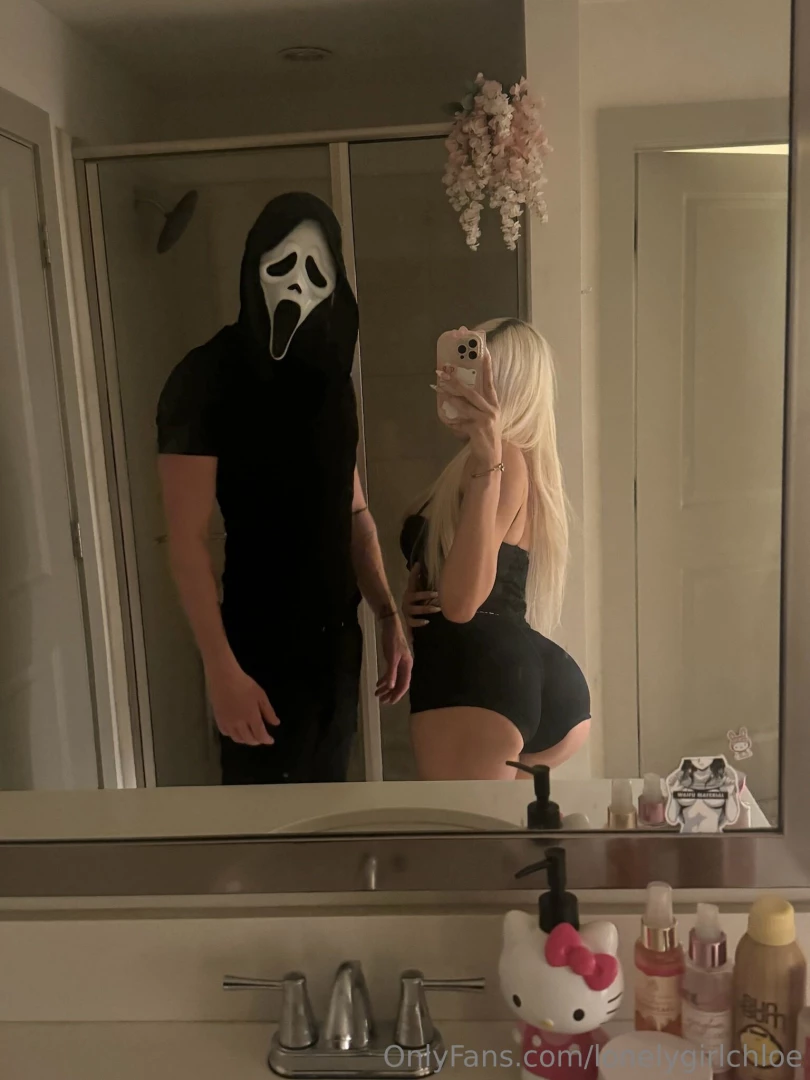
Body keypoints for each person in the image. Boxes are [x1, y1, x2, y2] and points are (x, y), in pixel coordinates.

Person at [157, 192, 410, 785]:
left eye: (316, 270)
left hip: (337, 645)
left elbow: (354, 510)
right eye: (284, 263)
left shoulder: (330, 381)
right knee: (263, 818)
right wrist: (221, 671)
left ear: (334, 285)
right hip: (258, 646)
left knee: (328, 804)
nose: (298, 282)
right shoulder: (205, 376)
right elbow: (186, 540)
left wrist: (387, 613)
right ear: (256, 263)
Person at [400, 318, 590, 780]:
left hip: (476, 675)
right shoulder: (491, 463)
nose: (450, 378)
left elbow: (462, 604)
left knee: (464, 829)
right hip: (504, 671)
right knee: (505, 827)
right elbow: (468, 576)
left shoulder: (500, 461)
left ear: (502, 384)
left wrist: (488, 463)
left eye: (470, 367)